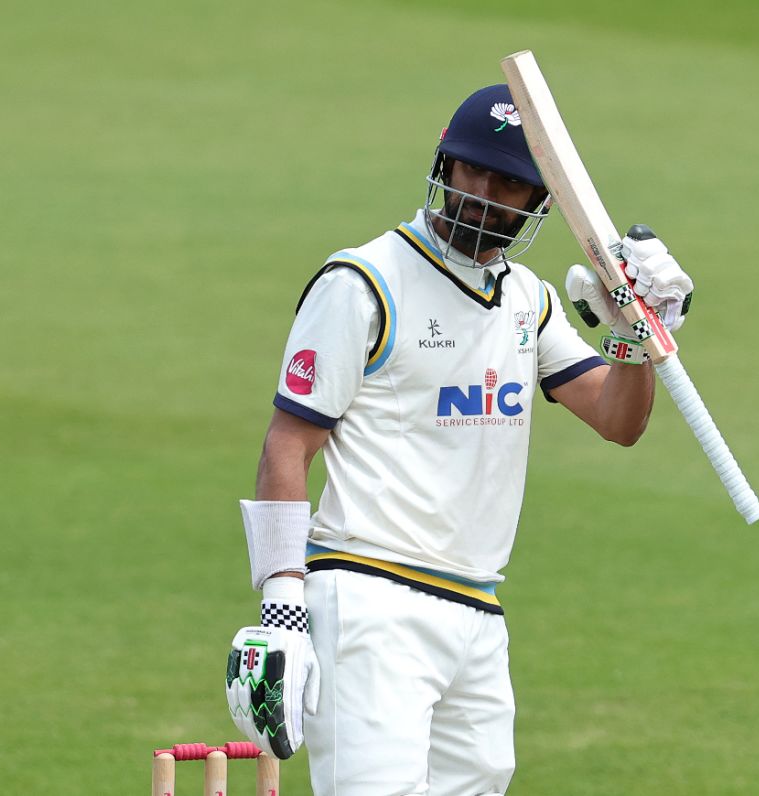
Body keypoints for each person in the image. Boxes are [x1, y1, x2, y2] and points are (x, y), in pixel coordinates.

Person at [225, 83, 693, 796]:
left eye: (510, 181)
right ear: (444, 167)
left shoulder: (527, 301)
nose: (486, 193)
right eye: (474, 170)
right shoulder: (365, 282)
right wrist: (283, 609)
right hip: (368, 599)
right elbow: (287, 445)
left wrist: (636, 334)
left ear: (539, 202)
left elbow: (619, 421)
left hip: (477, 610)